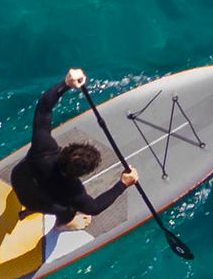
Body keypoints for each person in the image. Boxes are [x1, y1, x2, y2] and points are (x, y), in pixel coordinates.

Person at [10, 68, 139, 230]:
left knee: (30, 167)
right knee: (69, 210)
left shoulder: (43, 146)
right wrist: (123, 184)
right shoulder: (74, 191)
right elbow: (94, 208)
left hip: (18, 179)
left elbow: (43, 108)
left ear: (66, 150)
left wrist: (65, 84)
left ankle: (25, 205)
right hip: (37, 203)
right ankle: (63, 225)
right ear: (82, 174)